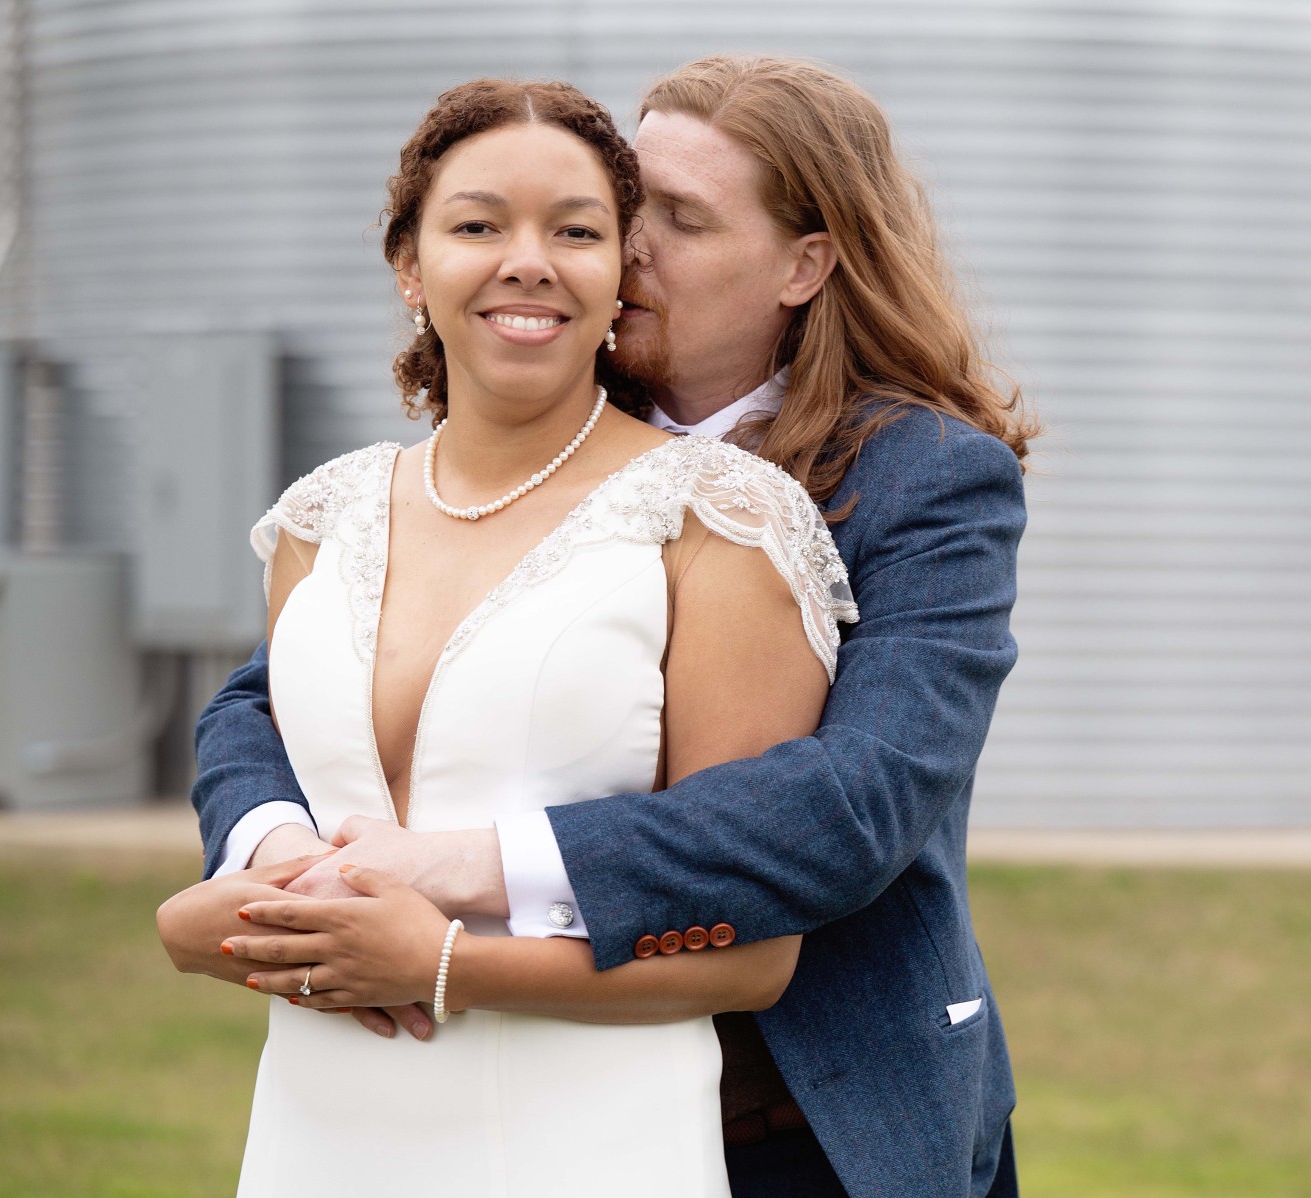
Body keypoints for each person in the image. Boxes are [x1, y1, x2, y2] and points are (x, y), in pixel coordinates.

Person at [162, 56, 1033, 1198]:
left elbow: (854, 803)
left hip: (810, 1109)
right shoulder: (544, 410)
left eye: (680, 218)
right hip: (478, 1093)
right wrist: (281, 857)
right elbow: (269, 690)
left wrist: (464, 872)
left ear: (804, 265)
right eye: (626, 205)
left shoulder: (927, 477)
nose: (627, 248)